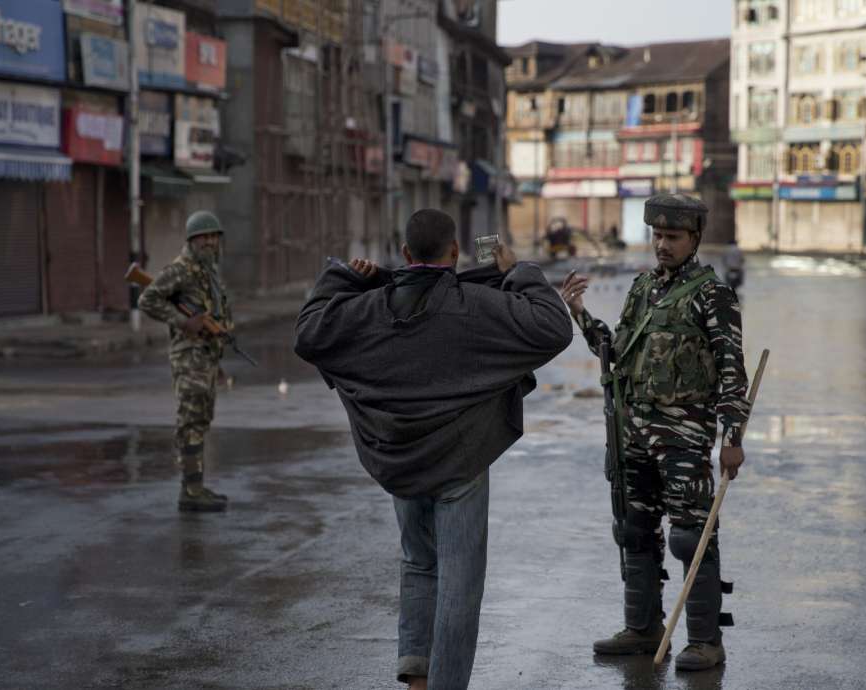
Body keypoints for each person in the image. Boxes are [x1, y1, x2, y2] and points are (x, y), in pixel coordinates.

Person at [293, 209, 572, 689]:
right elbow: (552, 325)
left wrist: (341, 276)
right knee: (459, 588)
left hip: (400, 460)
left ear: (404, 254)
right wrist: (517, 269)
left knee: (419, 563)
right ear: (456, 253)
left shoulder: (372, 307)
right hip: (460, 465)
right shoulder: (476, 305)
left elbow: (310, 330)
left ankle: (417, 675)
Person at [560, 193, 750, 671]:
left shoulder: (713, 295)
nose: (662, 245)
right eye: (658, 235)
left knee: (691, 536)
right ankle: (643, 628)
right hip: (634, 431)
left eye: (673, 237)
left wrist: (733, 440)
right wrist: (579, 312)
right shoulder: (643, 288)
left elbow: (732, 372)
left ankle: (706, 641)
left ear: (694, 238)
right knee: (634, 528)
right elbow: (616, 352)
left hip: (684, 434)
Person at [138, 210, 233, 512]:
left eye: (213, 237)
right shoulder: (180, 270)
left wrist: (217, 362)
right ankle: (189, 491)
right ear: (192, 241)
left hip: (205, 358)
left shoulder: (208, 273)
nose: (209, 242)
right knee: (189, 422)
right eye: (203, 237)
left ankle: (196, 487)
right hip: (188, 359)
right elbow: (147, 299)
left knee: (201, 421)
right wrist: (182, 322)